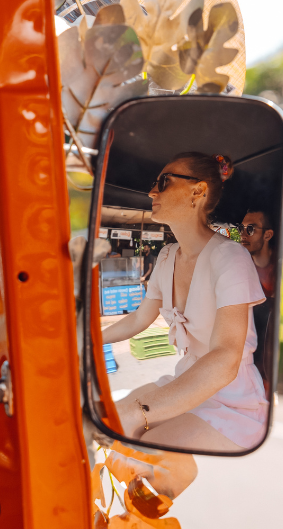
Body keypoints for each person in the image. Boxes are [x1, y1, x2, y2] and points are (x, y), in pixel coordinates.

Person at [101, 152, 267, 457]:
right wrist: (82, 339)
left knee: (143, 451)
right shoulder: (165, 257)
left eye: (163, 182)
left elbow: (226, 357)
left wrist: (142, 412)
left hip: (230, 396)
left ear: (198, 191)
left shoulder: (231, 258)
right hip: (185, 379)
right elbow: (140, 319)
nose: (152, 192)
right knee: (106, 419)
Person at [238, 209, 276, 300]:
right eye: (241, 228)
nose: (243, 235)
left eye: (251, 229)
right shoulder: (240, 266)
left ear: (268, 235)